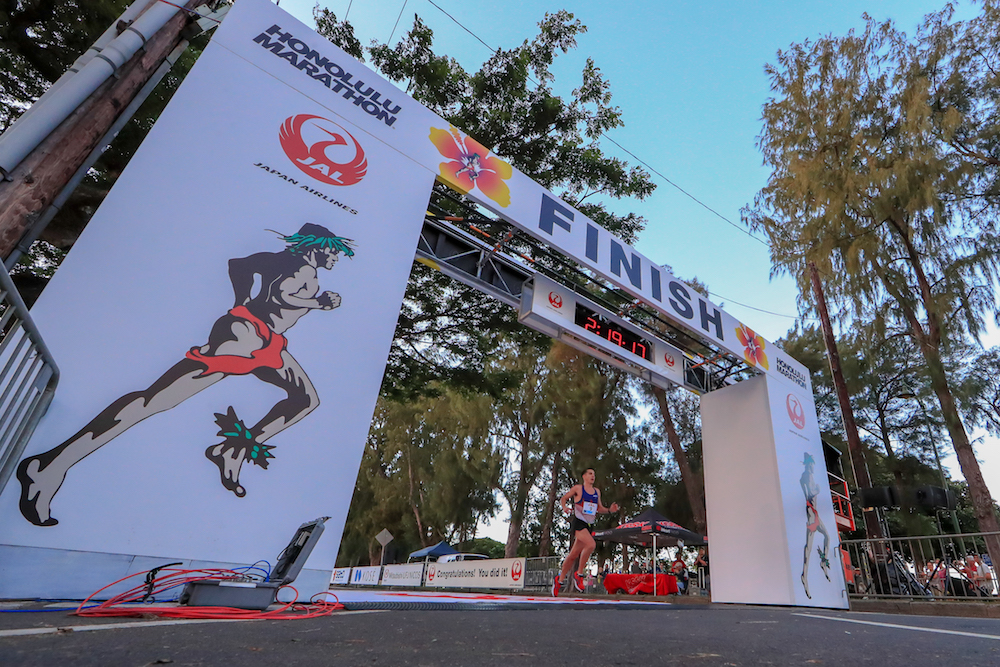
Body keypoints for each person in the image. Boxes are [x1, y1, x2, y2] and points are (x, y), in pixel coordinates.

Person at [17, 224, 354, 526]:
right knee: (154, 401)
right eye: (333, 250)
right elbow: (284, 294)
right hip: (246, 337)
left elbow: (239, 266)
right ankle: (48, 466)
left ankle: (233, 450)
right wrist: (318, 302)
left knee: (304, 398)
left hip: (262, 339)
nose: (336, 257)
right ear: (316, 247)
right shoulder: (303, 269)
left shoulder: (276, 259)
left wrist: (241, 302)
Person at [553, 467, 619, 596]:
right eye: (590, 474)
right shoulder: (578, 489)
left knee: (573, 555)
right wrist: (564, 507)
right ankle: (579, 574)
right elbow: (563, 498)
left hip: (589, 524)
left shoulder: (597, 492)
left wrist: (610, 510)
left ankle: (559, 580)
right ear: (584, 476)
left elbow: (599, 508)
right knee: (591, 544)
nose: (592, 476)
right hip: (578, 522)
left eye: (594, 474)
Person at [800, 452, 831, 599]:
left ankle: (823, 562)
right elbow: (810, 493)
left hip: (815, 513)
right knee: (809, 548)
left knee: (827, 536)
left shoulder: (808, 476)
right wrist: (817, 490)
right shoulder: (806, 476)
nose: (813, 467)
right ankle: (804, 576)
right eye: (811, 464)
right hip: (812, 515)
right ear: (808, 464)